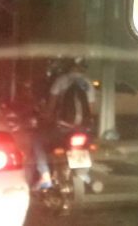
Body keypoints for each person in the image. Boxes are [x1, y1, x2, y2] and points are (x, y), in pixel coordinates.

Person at [31, 57, 94, 189]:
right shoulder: (88, 83)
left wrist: (45, 114)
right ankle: (84, 173)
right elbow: (91, 109)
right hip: (82, 129)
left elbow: (50, 107)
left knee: (37, 141)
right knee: (88, 146)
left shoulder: (61, 80)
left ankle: (45, 175)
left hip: (63, 128)